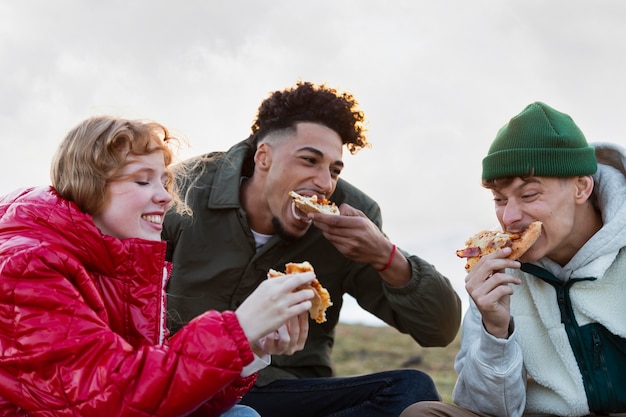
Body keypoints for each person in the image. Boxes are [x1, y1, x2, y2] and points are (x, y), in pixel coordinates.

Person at [163, 81, 463, 417]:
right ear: (264, 156)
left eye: (334, 170)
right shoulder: (182, 190)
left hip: (282, 390)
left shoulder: (354, 215)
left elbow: (440, 329)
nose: (325, 183)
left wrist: (385, 256)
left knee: (411, 390)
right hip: (183, 382)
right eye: (309, 161)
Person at [0, 115, 316, 417]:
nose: (165, 197)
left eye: (164, 181)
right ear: (88, 185)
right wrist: (238, 327)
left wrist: (249, 347)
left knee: (238, 413)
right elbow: (110, 399)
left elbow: (162, 401)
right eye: (142, 180)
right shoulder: (28, 267)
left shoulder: (120, 267)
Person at [400, 101, 626, 417]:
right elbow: (489, 410)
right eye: (499, 199)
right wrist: (496, 331)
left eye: (529, 195)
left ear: (581, 187)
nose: (510, 217)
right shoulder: (496, 270)